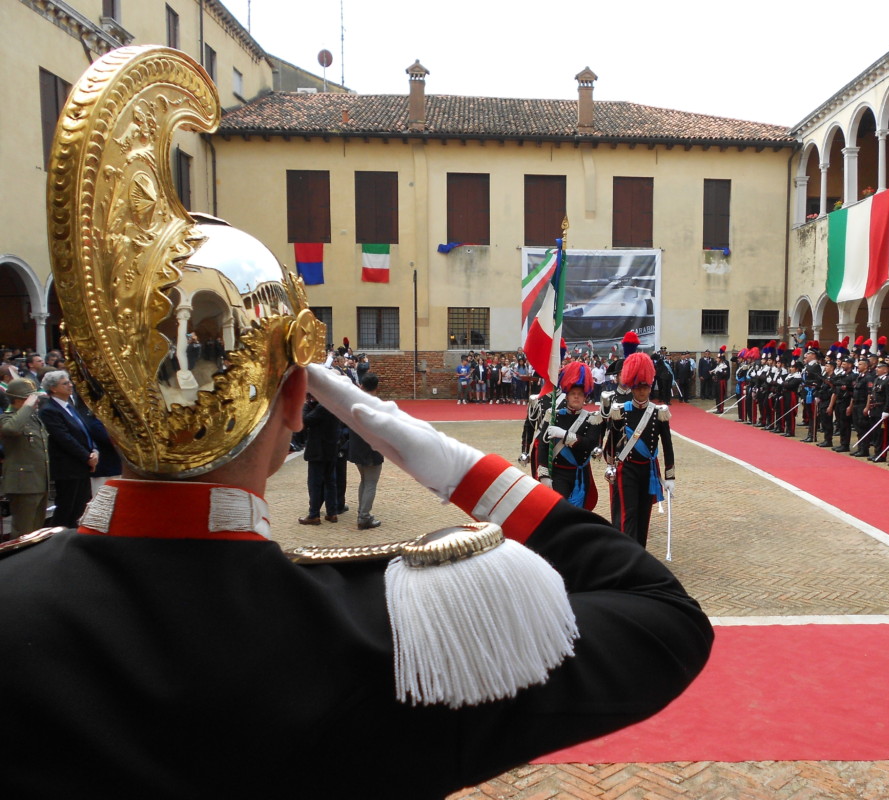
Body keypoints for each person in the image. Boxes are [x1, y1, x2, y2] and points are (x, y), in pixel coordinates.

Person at [0, 46, 711, 797]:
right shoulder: (399, 637)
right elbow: (662, 618)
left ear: (95, 389)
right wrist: (446, 460)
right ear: (296, 398)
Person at [604, 352, 675, 548]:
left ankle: (640, 553)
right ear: (632, 387)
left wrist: (669, 476)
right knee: (629, 514)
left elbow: (667, 445)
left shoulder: (658, 412)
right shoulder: (621, 410)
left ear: (650, 388)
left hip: (649, 471)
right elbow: (611, 442)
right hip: (627, 469)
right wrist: (610, 463)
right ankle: (629, 555)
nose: (642, 392)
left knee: (644, 515)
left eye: (645, 387)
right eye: (638, 387)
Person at [536, 362, 602, 510]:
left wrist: (564, 435)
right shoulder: (553, 416)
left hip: (580, 474)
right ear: (567, 396)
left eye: (580, 394)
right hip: (559, 473)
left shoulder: (592, 418)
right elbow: (543, 446)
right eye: (573, 394)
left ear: (585, 397)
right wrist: (544, 474)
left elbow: (589, 444)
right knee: (559, 511)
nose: (576, 397)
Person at [37, 370, 97, 527]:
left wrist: (94, 451)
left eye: (69, 382)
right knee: (67, 508)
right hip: (68, 466)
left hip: (82, 464)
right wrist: (86, 457)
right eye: (65, 383)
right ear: (53, 388)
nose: (70, 385)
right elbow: (64, 438)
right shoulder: (49, 410)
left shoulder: (69, 406)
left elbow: (85, 431)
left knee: (81, 506)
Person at [0, 378, 49, 538]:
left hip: (39, 481)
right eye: (31, 399)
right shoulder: (7, 418)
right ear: (19, 400)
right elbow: (12, 428)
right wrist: (27, 406)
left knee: (36, 530)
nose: (36, 402)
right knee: (23, 531)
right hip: (23, 484)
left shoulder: (33, 419)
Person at [346, 372, 385, 529]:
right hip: (371, 448)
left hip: (357, 446)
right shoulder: (376, 405)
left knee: (364, 480)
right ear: (377, 387)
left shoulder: (354, 403)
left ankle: (362, 512)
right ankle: (364, 516)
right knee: (370, 483)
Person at [299, 393, 341, 525]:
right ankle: (332, 512)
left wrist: (306, 406)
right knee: (330, 483)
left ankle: (314, 515)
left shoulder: (321, 407)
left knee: (315, 483)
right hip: (331, 449)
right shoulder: (334, 404)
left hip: (318, 451)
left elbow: (305, 420)